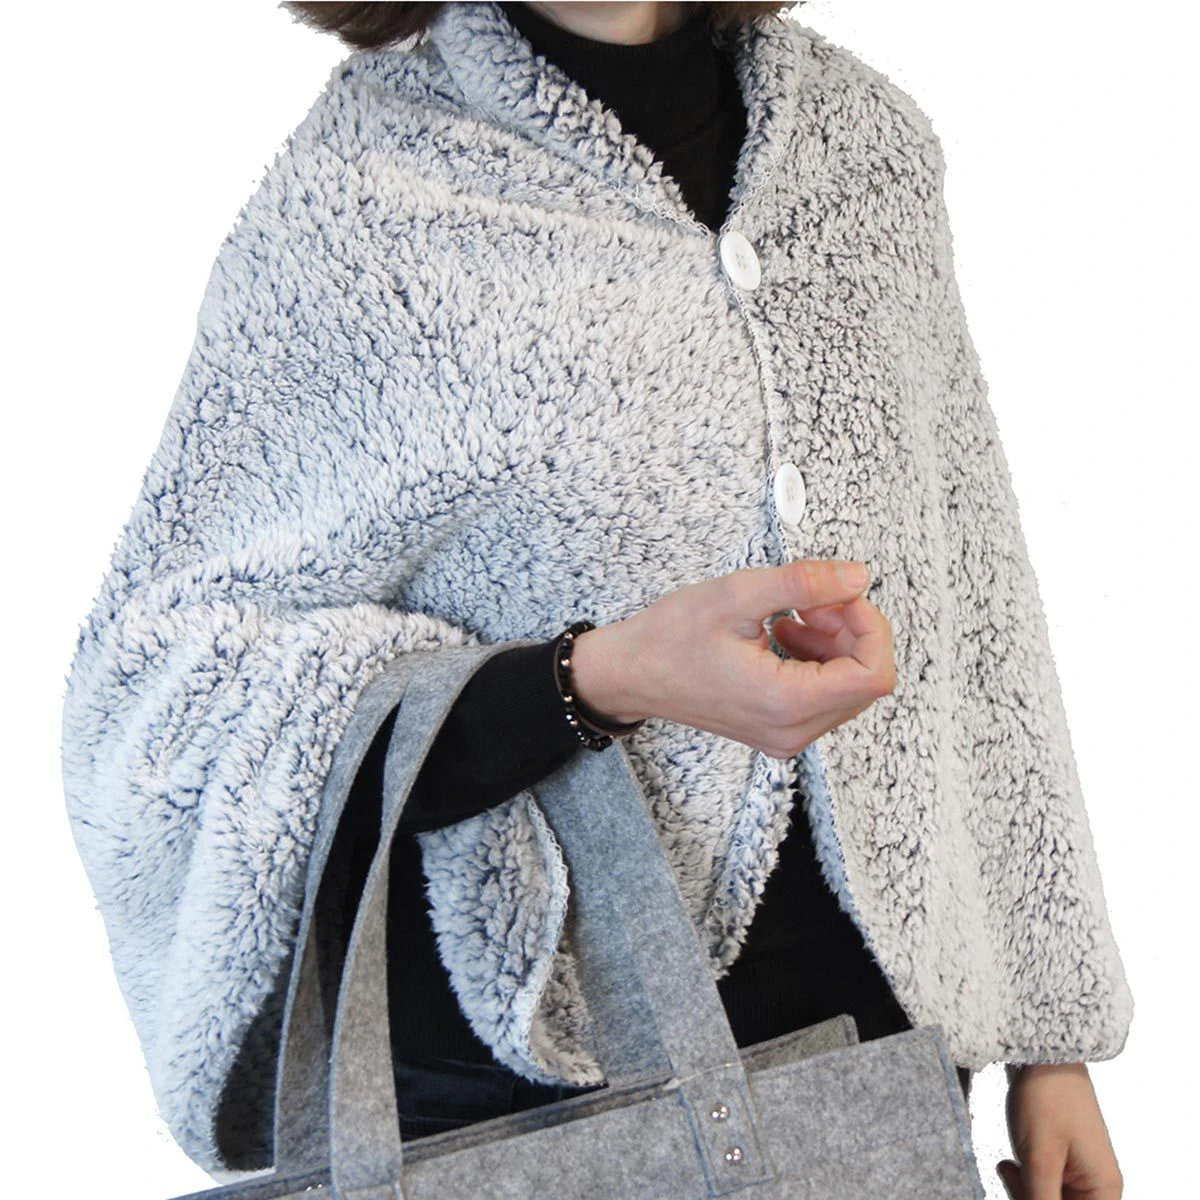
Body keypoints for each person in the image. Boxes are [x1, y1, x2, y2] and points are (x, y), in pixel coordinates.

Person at [60, 2, 1131, 1194]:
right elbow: (162, 691)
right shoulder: (361, 200)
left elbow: (976, 596)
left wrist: (1049, 1042)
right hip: (527, 1088)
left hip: (873, 1068)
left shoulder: (865, 148)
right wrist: (593, 680)